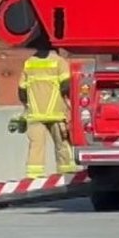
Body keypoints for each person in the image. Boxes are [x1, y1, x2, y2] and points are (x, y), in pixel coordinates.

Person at [19, 43, 77, 178]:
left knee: (36, 148)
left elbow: (21, 91)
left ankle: (33, 178)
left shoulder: (29, 63)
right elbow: (66, 87)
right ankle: (67, 175)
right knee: (62, 146)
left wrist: (27, 106)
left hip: (35, 114)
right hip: (57, 114)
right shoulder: (59, 62)